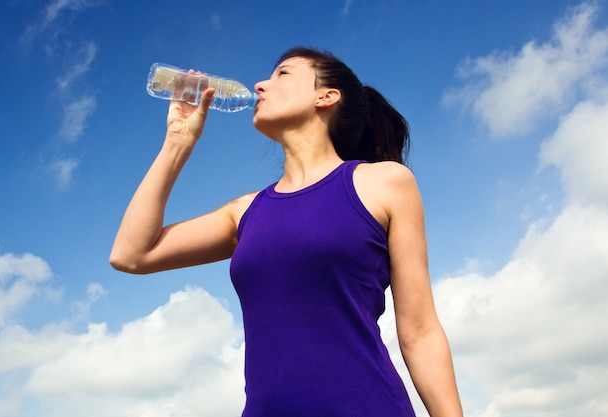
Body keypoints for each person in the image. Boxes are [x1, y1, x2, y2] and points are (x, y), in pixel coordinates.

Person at [110, 47, 463, 417]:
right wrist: (177, 142)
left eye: (283, 74)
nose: (260, 84)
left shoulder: (384, 183)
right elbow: (131, 254)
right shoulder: (244, 212)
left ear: (326, 96)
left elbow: (420, 331)